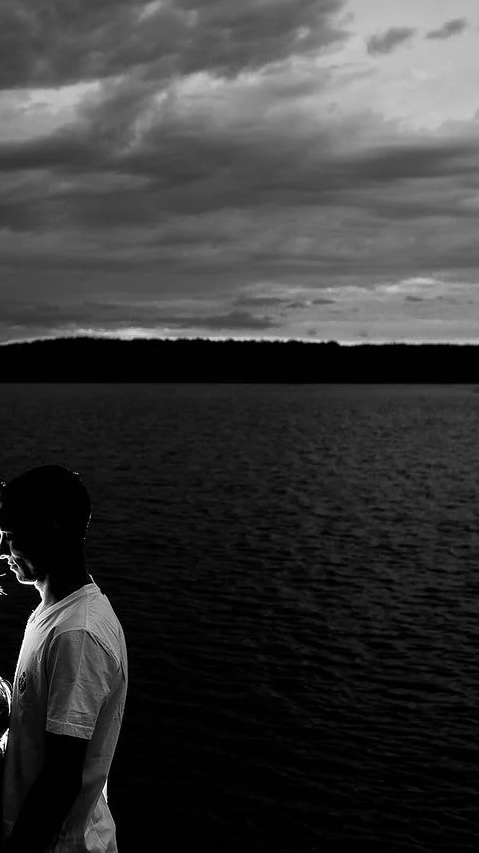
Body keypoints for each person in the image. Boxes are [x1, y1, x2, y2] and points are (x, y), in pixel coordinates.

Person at [0, 465, 128, 853]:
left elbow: (61, 778)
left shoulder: (78, 634)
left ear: (50, 530)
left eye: (12, 534)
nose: (4, 548)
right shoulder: (53, 611)